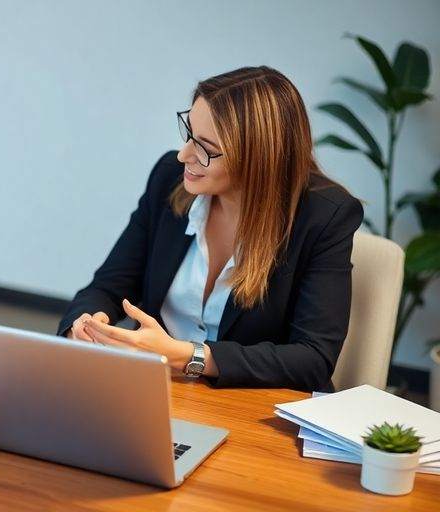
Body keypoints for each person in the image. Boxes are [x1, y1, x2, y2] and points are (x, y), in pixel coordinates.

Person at [59, 66, 363, 392]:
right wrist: (85, 325)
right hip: (158, 391)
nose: (183, 154)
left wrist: (189, 356)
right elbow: (108, 286)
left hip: (254, 408)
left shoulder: (324, 216)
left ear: (257, 158)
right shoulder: (169, 178)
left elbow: (313, 359)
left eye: (205, 147)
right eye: (188, 133)